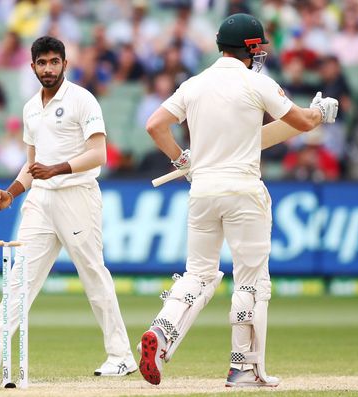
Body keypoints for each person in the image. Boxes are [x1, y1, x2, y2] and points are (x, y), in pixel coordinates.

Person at [138, 13, 338, 387]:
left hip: (202, 191)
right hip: (243, 191)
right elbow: (301, 122)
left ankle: (161, 334)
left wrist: (184, 160)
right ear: (249, 47)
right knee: (251, 281)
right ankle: (243, 368)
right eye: (258, 46)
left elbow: (154, 125)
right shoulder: (255, 82)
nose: (261, 52)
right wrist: (321, 113)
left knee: (198, 273)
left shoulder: (193, 84)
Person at [0, 36, 137, 377]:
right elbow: (31, 164)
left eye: (55, 62)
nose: (49, 68)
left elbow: (99, 154)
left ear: (65, 64)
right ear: (32, 66)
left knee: (93, 274)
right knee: (20, 278)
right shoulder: (30, 108)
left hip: (76, 195)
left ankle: (121, 355)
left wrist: (57, 169)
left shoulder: (83, 100)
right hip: (40, 201)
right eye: (43, 62)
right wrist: (11, 192)